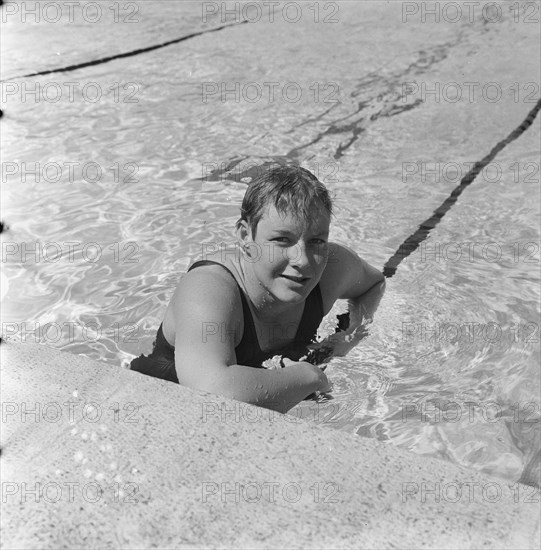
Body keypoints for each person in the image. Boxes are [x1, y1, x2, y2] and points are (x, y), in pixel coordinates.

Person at [130, 165, 385, 412]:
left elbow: (373, 284)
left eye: (316, 241)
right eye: (282, 240)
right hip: (157, 412)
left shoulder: (332, 269)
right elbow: (210, 391)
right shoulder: (208, 289)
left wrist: (347, 337)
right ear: (244, 236)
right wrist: (308, 376)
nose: (303, 260)